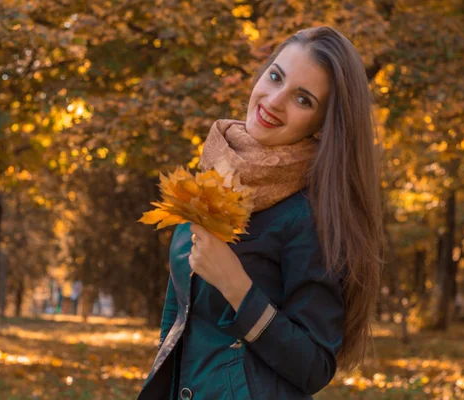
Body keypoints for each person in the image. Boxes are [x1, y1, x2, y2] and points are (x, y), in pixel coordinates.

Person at [137, 26, 383, 400]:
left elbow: (315, 366)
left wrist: (238, 287)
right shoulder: (213, 175)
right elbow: (178, 320)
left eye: (303, 100)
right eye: (275, 77)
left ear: (323, 124)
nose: (274, 100)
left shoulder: (310, 216)